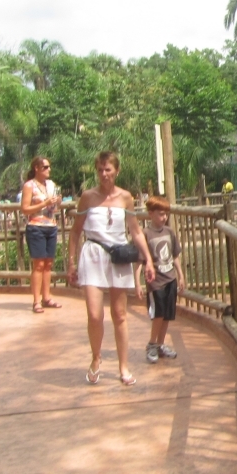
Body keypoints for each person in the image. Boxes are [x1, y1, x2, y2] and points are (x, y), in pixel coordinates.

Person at [68, 152, 155, 387]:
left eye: (108, 170)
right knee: (95, 314)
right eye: (100, 170)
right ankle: (96, 358)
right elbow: (76, 231)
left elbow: (135, 230)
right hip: (94, 255)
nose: (104, 174)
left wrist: (148, 259)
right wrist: (71, 262)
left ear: (116, 171)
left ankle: (123, 366)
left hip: (118, 255)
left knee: (119, 314)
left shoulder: (126, 198)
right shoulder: (87, 198)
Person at [133, 196, 186, 364]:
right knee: (158, 314)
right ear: (151, 214)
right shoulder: (145, 235)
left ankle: (161, 344)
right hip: (155, 282)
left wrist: (180, 274)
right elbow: (139, 262)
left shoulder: (169, 232)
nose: (164, 218)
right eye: (160, 214)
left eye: (166, 214)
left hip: (170, 278)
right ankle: (152, 344)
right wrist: (137, 283)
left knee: (167, 315)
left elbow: (174, 255)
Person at [21, 156, 62, 314]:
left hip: (51, 226)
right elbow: (25, 209)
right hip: (36, 226)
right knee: (38, 264)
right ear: (36, 168)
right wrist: (44, 203)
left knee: (48, 264)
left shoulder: (51, 185)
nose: (48, 170)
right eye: (45, 167)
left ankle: (47, 297)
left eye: (49, 167)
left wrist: (56, 202)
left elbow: (55, 208)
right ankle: (36, 300)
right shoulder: (29, 185)